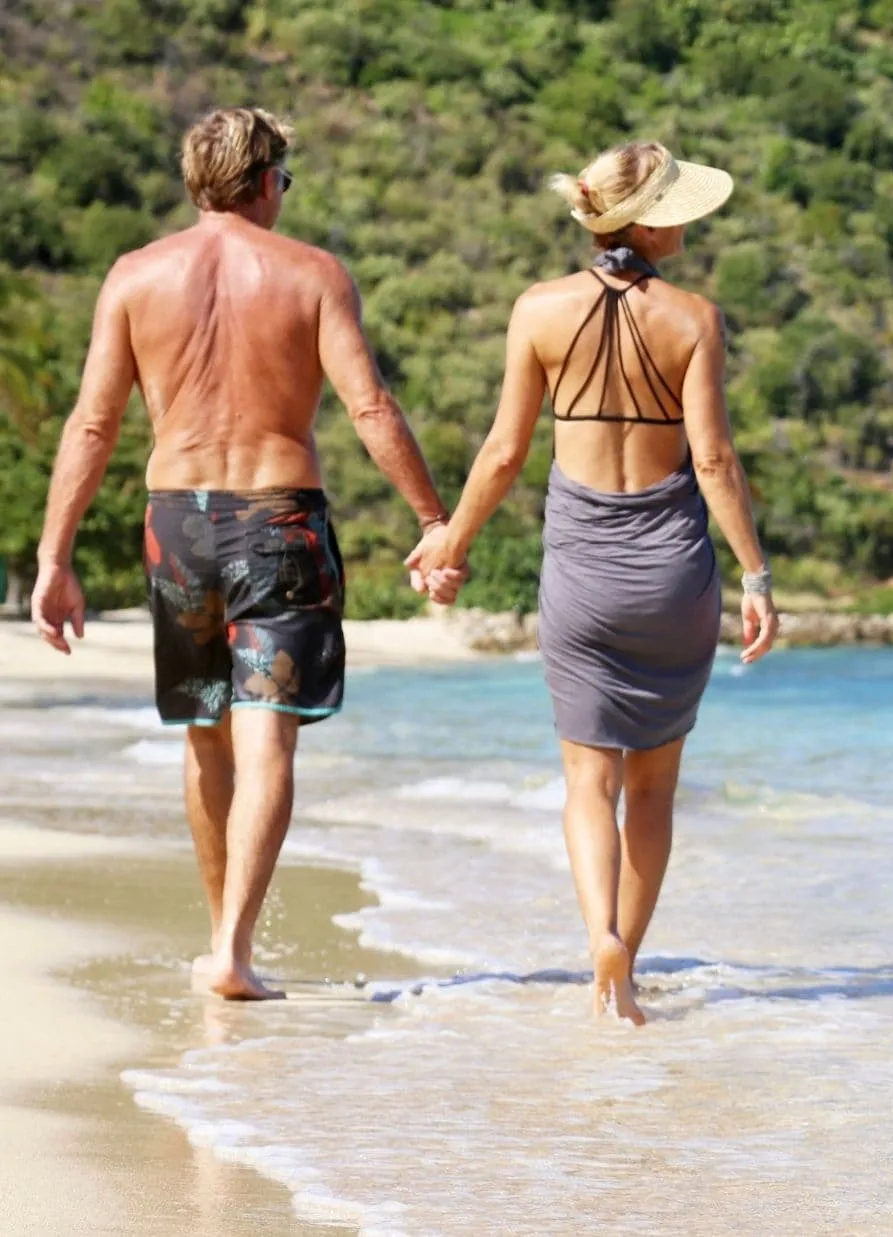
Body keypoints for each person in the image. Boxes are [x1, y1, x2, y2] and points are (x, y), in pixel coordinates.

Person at [30, 107, 459, 1000]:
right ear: (266, 181)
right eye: (284, 181)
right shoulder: (311, 275)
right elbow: (370, 407)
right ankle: (232, 948)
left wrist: (54, 556)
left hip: (177, 525)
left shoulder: (134, 276)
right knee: (267, 742)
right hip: (279, 521)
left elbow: (94, 423)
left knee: (206, 731)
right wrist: (431, 519)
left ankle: (220, 938)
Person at [411, 139, 778, 1025]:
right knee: (653, 786)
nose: (691, 221)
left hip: (580, 569)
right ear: (646, 222)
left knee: (589, 783)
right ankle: (630, 963)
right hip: (671, 571)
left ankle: (598, 939)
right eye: (679, 208)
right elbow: (716, 460)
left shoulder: (538, 311)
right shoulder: (693, 319)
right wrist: (758, 576)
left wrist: (449, 542)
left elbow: (503, 453)